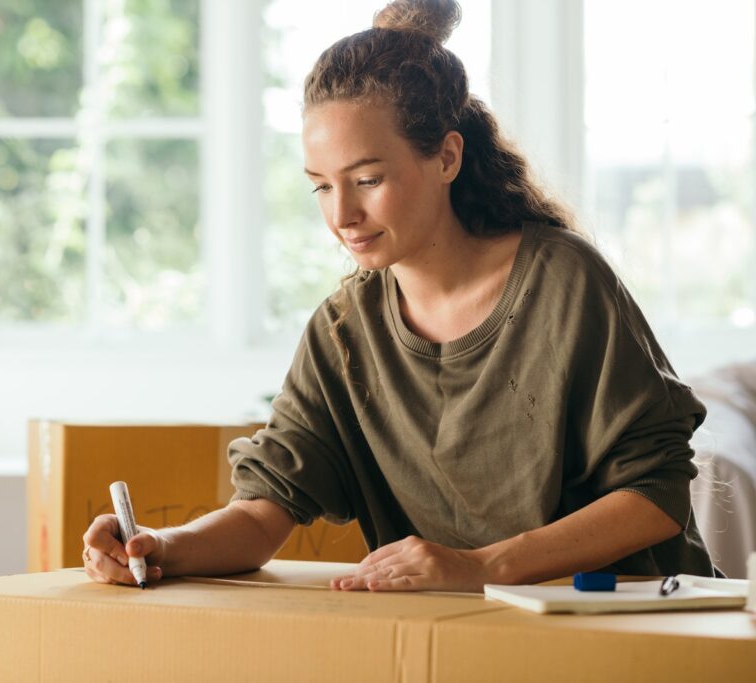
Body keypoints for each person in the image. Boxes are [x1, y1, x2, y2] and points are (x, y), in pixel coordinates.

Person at [83, 0, 717, 592]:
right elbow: (261, 516)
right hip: (467, 637)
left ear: (446, 157)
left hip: (630, 626)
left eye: (367, 179)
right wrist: (157, 546)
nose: (343, 215)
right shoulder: (343, 329)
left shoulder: (566, 282)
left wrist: (481, 566)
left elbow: (655, 494)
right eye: (321, 188)